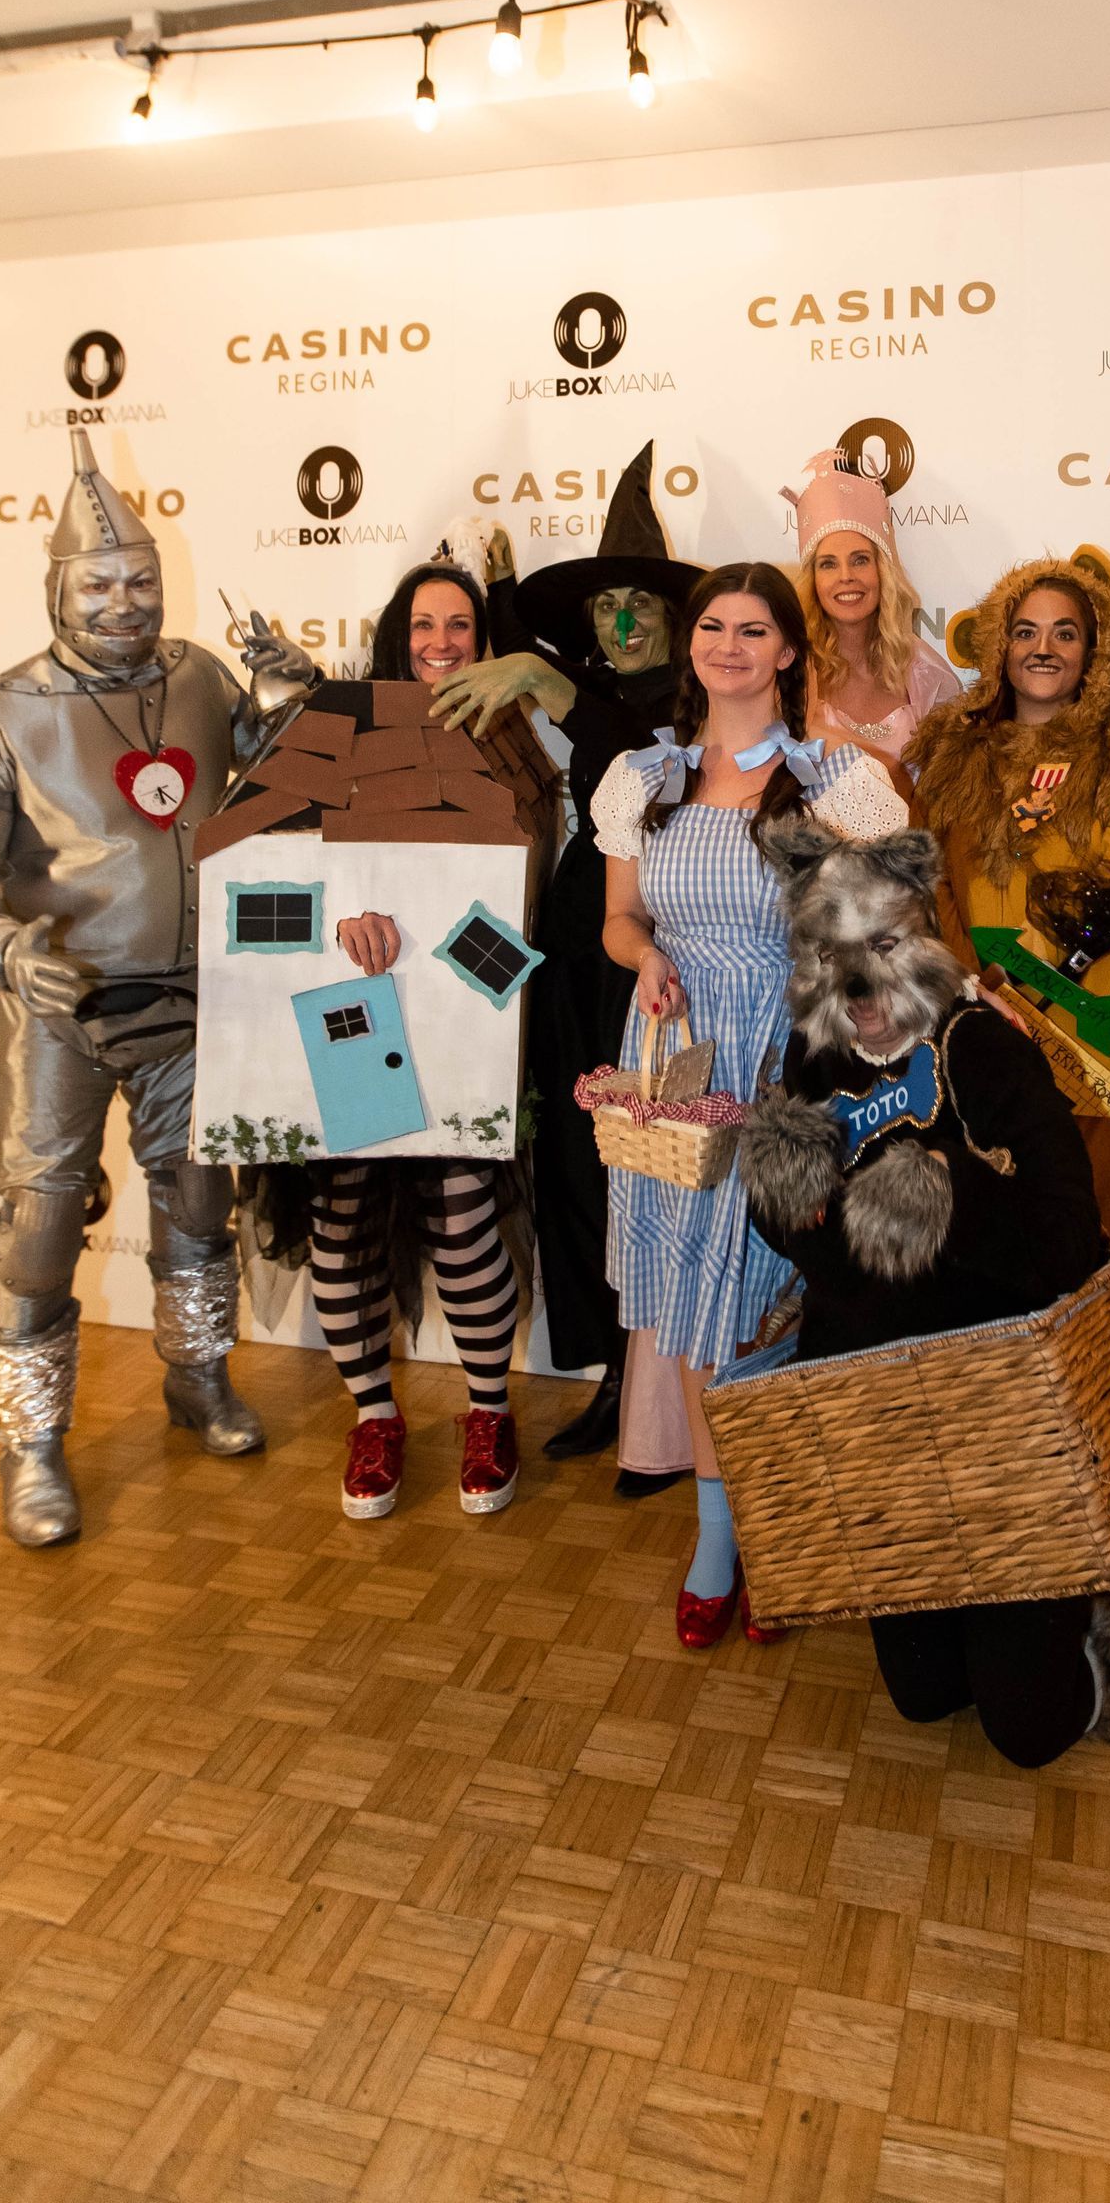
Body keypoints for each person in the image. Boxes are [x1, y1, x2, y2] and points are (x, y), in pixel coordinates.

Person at [738, 821, 1110, 1764]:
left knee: (1028, 1727)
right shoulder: (814, 1059)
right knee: (925, 1698)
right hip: (888, 1417)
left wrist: (945, 1196)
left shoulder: (983, 1046)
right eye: (831, 956)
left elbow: (1063, 1247)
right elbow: (824, 1260)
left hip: (1005, 1421)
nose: (861, 990)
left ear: (920, 942)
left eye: (882, 950)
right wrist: (779, 1200)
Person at [0, 429, 316, 1548]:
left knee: (197, 1200)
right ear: (55, 587)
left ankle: (197, 1379)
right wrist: (1, 954)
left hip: (190, 994)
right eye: (100, 582)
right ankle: (31, 1444)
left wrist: (290, 697)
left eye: (143, 580)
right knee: (39, 1221)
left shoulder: (197, 675)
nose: (127, 600)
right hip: (59, 1013)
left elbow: (271, 773)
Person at [593, 562, 908, 1643]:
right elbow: (619, 918)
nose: (729, 644)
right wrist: (641, 959)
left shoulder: (831, 779)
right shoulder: (646, 776)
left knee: (765, 1308)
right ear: (694, 644)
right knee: (691, 1306)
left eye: (753, 628)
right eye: (713, 626)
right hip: (678, 1066)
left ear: (787, 651)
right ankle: (720, 1536)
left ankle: (767, 1534)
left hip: (787, 1068)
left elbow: (889, 925)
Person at [431, 443, 700, 1486]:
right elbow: (534, 669)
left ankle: (672, 1404)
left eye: (642, 605)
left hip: (656, 951)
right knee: (582, 1166)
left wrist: (547, 675)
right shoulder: (589, 678)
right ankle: (612, 1378)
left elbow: (638, 753)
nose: (623, 623)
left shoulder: (692, 697)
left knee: (658, 1163)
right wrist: (499, 586)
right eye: (605, 608)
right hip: (577, 942)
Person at [307, 549, 530, 1524]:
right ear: (398, 637)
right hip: (356, 1011)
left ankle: (488, 1412)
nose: (441, 645)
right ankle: (373, 1415)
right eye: (425, 627)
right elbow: (287, 855)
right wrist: (338, 922)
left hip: (461, 1011)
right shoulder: (342, 733)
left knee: (462, 1212)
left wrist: (457, 954)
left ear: (483, 643)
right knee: (343, 1220)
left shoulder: (515, 742)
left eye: (461, 628)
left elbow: (533, 890)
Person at [907, 551, 1110, 1233]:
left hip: (1103, 1022)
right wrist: (971, 988)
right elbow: (926, 878)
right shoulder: (951, 751)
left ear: (1095, 649)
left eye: (1066, 632)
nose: (1043, 648)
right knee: (1003, 1215)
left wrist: (1023, 984)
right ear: (998, 642)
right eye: (1025, 631)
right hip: (985, 1019)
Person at [783, 447, 958, 763]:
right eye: (828, 564)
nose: (846, 577)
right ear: (813, 581)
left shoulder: (925, 672)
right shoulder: (789, 669)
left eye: (860, 560)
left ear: (883, 571)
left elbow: (951, 781)